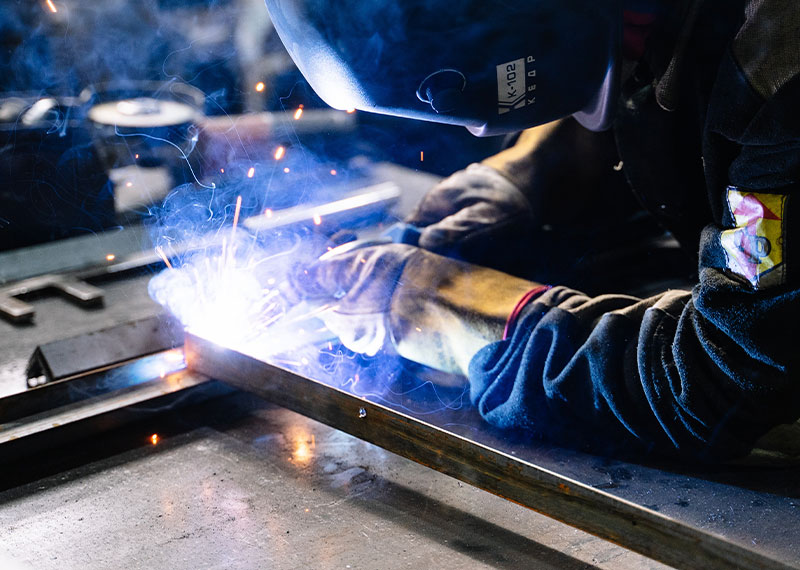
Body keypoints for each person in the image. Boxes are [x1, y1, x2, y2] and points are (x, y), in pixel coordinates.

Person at [271, 0, 800, 460]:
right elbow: (661, 60)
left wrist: (455, 312)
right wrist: (532, 179)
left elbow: (725, 377)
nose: (476, 128)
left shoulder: (782, 67)